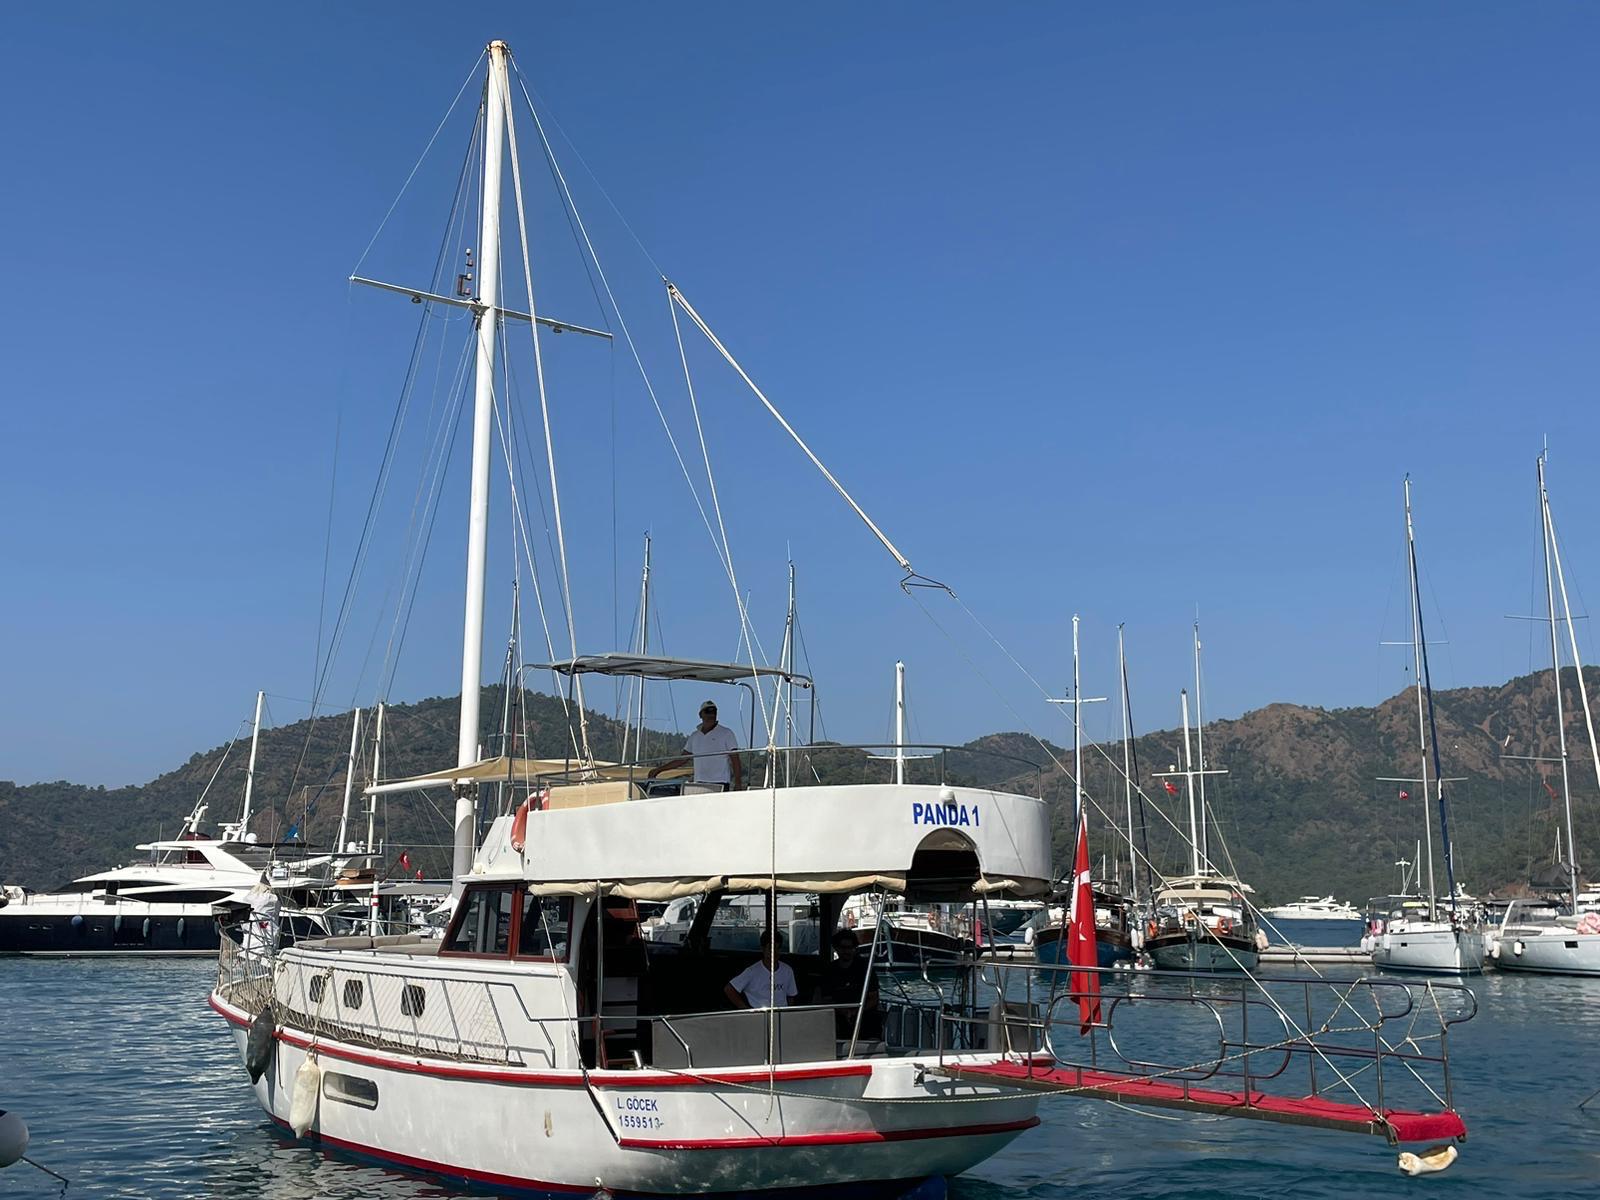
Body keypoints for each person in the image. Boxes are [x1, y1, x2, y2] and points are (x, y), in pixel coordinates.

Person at [648, 700, 742, 791]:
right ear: (700, 715)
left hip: (720, 782)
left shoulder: (726, 733)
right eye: (708, 712)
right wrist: (658, 770)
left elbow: (735, 759)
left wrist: (738, 783)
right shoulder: (694, 736)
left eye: (714, 712)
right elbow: (682, 759)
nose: (711, 715)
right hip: (699, 783)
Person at [820, 929, 880, 1037]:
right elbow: (826, 999)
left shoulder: (865, 968)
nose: (847, 951)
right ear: (836, 948)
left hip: (864, 1019)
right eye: (843, 948)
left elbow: (874, 998)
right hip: (837, 1020)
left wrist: (856, 1012)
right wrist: (843, 1011)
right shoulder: (829, 970)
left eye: (850, 948)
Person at [724, 930, 798, 1009]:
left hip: (781, 1014)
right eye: (771, 948)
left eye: (778, 948)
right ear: (763, 949)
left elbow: (791, 995)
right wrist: (745, 1009)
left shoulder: (787, 970)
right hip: (758, 1016)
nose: (775, 952)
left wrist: (787, 1013)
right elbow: (729, 989)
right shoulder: (752, 971)